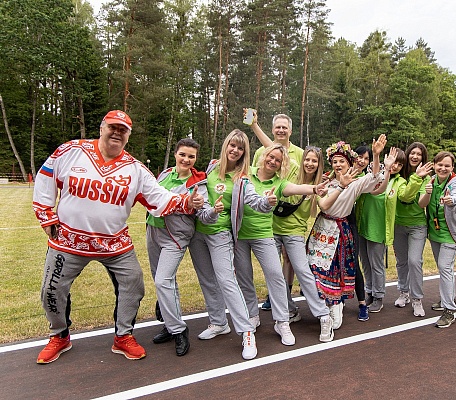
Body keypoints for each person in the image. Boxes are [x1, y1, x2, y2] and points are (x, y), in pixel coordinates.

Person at [33, 110, 204, 364]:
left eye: (123, 130)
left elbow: (158, 198)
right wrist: (46, 215)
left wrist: (186, 202)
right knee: (51, 289)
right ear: (102, 128)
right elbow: (45, 178)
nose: (117, 133)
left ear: (128, 136)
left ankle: (123, 335)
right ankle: (59, 335)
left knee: (134, 284)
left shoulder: (135, 169)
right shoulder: (71, 151)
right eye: (112, 127)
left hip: (114, 243)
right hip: (68, 241)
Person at [187, 129, 275, 360]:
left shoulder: (243, 178)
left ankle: (247, 332)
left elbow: (254, 201)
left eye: (240, 148)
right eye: (232, 145)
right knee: (207, 279)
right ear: (226, 145)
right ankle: (218, 323)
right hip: (199, 234)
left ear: (244, 153)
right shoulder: (211, 167)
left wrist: (267, 202)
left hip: (221, 235)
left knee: (227, 281)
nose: (235, 150)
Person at [234, 143, 328, 345]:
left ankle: (283, 321)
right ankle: (252, 315)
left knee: (276, 275)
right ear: (263, 156)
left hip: (265, 234)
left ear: (281, 164)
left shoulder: (280, 183)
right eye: (271, 157)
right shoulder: (246, 173)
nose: (273, 161)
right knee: (244, 276)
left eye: (278, 160)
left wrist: (314, 188)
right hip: (240, 234)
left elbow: (296, 188)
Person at [307, 137, 391, 330]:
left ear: (349, 163)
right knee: (317, 268)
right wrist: (338, 185)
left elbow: (375, 178)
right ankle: (325, 304)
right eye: (335, 161)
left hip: (340, 230)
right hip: (322, 228)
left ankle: (337, 306)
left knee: (337, 269)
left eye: (342, 161)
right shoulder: (325, 182)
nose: (338, 165)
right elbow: (323, 205)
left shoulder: (355, 184)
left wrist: (376, 155)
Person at [146, 138, 221, 356]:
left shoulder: (198, 183)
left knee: (162, 280)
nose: (186, 159)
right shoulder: (165, 174)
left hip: (176, 236)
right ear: (175, 154)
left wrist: (211, 210)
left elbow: (204, 213)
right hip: (153, 231)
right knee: (164, 280)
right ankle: (170, 324)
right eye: (183, 155)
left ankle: (179, 331)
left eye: (191, 156)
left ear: (196, 159)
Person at [359, 147, 432, 315]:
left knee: (398, 263)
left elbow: (406, 197)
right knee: (367, 263)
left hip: (382, 228)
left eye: (399, 164)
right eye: (394, 162)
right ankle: (371, 292)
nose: (395, 166)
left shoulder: (400, 182)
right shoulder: (374, 172)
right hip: (364, 224)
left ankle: (383, 296)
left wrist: (416, 178)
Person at [249, 111, 302, 312]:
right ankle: (273, 295)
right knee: (270, 259)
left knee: (288, 258)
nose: (281, 130)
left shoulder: (299, 153)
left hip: (290, 214)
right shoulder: (260, 152)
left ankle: (284, 295)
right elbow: (254, 179)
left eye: (284, 127)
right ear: (272, 130)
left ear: (290, 131)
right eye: (277, 127)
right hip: (266, 213)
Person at [418, 151, 456, 328]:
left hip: (450, 235)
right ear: (435, 165)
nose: (443, 168)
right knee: (443, 268)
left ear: (452, 167)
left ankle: (449, 310)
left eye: (447, 165)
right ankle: (448, 298)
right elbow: (422, 204)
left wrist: (451, 199)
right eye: (440, 165)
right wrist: (427, 193)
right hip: (435, 233)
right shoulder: (431, 181)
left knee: (445, 268)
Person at [393, 142, 433, 317]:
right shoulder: (399, 174)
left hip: (417, 225)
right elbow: (401, 195)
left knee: (414, 261)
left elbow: (418, 202)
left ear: (423, 158)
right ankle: (404, 292)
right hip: (398, 224)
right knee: (401, 261)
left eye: (419, 154)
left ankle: (417, 298)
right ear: (407, 154)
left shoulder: (425, 177)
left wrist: (425, 187)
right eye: (413, 153)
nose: (415, 156)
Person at [348, 145, 373, 321]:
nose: (362, 161)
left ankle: (362, 303)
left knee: (354, 262)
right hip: (332, 222)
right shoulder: (339, 172)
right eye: (359, 157)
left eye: (366, 158)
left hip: (351, 223)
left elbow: (377, 186)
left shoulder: (364, 178)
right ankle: (335, 299)